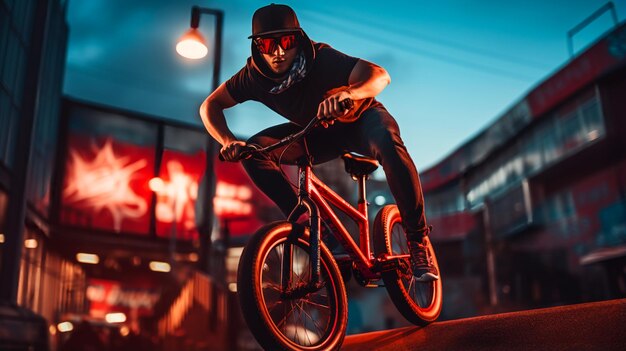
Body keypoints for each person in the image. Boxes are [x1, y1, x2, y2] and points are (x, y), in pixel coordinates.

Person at [199, 4, 438, 282]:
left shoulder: (321, 58)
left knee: (388, 143)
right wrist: (227, 140)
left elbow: (380, 75)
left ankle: (417, 239)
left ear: (297, 39)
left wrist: (350, 92)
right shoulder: (253, 77)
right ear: (257, 47)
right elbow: (210, 106)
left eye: (285, 42)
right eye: (267, 44)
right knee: (254, 151)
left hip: (360, 122)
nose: (277, 52)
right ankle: (318, 233)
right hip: (317, 132)